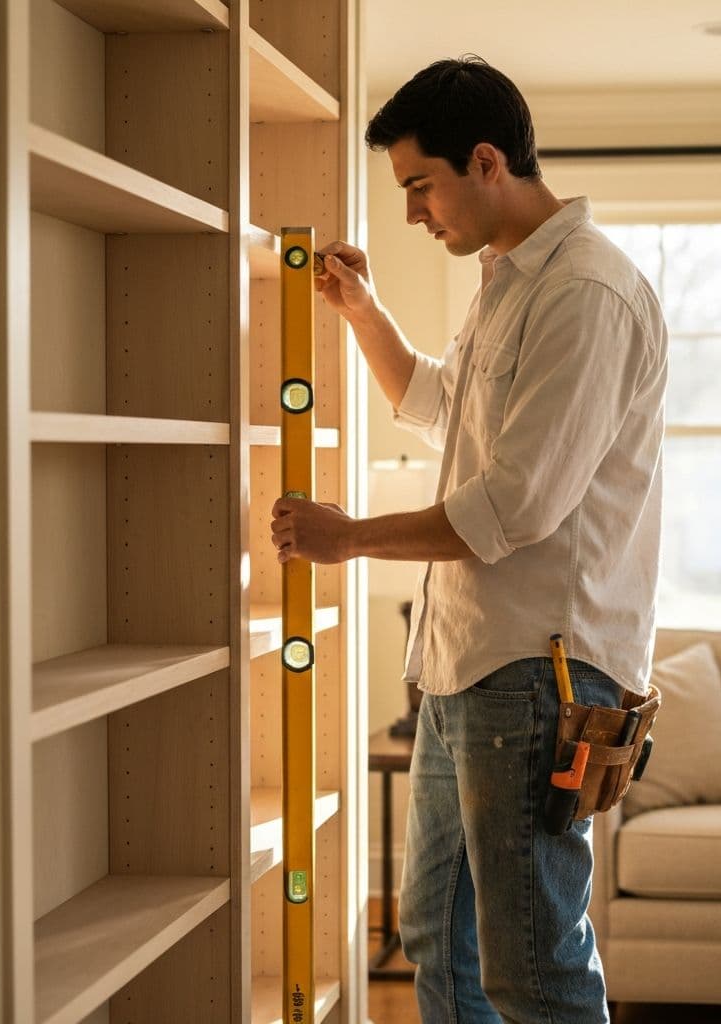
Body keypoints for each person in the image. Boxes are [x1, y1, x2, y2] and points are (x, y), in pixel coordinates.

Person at [270, 56, 668, 1024]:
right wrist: (363, 313)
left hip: (539, 674)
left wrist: (347, 538)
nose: (411, 212)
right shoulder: (507, 279)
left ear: (485, 161)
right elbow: (441, 406)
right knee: (439, 944)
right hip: (463, 669)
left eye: (419, 185)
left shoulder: (586, 291)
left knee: (532, 966)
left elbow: (515, 504)